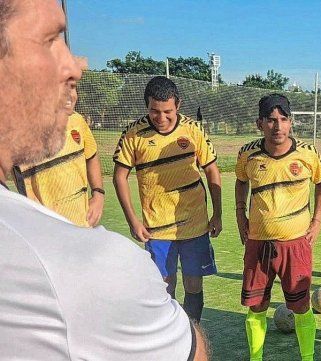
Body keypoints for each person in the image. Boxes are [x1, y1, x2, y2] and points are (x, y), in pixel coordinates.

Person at [0, 0, 208, 359]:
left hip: (178, 227)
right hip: (138, 234)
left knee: (190, 285)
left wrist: (96, 193)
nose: (77, 66)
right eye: (50, 39)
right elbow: (193, 353)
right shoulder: (113, 265)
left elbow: (94, 159)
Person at [113, 75, 222, 324]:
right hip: (157, 228)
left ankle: (192, 335)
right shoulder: (133, 134)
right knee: (164, 287)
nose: (161, 118)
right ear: (146, 106)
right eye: (154, 112)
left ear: (178, 105)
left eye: (168, 112)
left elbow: (212, 170)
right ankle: (169, 338)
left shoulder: (193, 130)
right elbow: (120, 177)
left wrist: (217, 214)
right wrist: (133, 221)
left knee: (193, 285)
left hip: (194, 224)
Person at [236, 94, 321, 361]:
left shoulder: (308, 154)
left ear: (291, 122)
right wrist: (240, 215)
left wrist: (317, 220)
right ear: (259, 123)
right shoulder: (247, 154)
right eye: (271, 120)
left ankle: (308, 358)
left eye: (283, 119)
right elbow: (241, 181)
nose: (278, 126)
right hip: (257, 242)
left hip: (296, 243)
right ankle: (256, 358)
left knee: (301, 307)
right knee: (256, 307)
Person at [12, 83, 104, 227]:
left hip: (84, 226)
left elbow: (92, 156)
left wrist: (98, 194)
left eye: (72, 88)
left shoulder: (77, 120)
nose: (70, 95)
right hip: (50, 231)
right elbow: (26, 192)